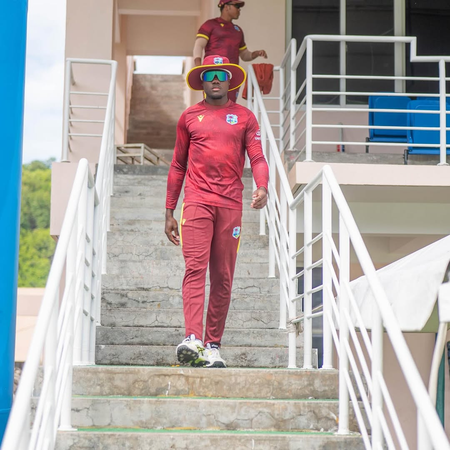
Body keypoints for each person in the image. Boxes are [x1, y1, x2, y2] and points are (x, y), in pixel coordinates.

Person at [165, 55, 269, 368]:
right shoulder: (189, 117)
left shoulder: (245, 117)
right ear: (201, 80)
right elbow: (178, 165)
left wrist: (262, 187)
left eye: (220, 75)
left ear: (229, 81)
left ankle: (212, 346)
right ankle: (192, 339)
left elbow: (258, 157)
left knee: (223, 276)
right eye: (209, 74)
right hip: (197, 201)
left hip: (230, 204)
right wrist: (169, 210)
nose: (214, 79)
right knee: (195, 268)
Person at [193, 0, 268, 101]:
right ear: (226, 7)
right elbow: (199, 45)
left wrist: (256, 53)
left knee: (230, 104)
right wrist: (198, 68)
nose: (239, 9)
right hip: (213, 72)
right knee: (213, 104)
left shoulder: (238, 30)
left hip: (231, 74)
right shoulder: (210, 24)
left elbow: (244, 55)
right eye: (237, 6)